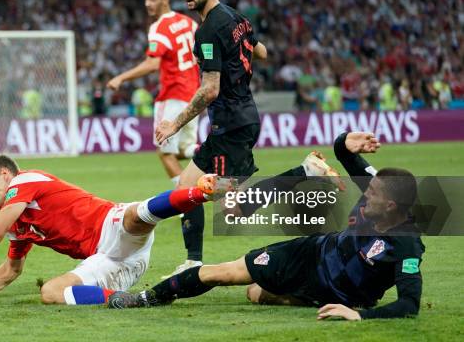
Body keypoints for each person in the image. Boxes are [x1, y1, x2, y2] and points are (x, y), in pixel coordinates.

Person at [108, 132, 426, 321]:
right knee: (230, 275)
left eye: (372, 194)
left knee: (257, 293)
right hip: (311, 253)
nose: (365, 193)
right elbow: (343, 152)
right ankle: (146, 298)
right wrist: (345, 140)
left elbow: (409, 304)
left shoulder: (406, 245)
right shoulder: (382, 187)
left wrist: (360, 315)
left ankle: (302, 298)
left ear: (392, 206)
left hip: (337, 293)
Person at [0, 155, 223, 305]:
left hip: (111, 225)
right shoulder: (17, 224)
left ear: (5, 174)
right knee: (50, 293)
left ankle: (203, 192)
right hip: (109, 262)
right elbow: (11, 270)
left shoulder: (25, 181)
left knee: (135, 215)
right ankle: (132, 299)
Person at [155, 0, 268, 276]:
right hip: (243, 118)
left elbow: (209, 90)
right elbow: (262, 52)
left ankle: (303, 172)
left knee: (225, 203)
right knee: (187, 190)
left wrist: (173, 124)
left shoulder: (207, 31)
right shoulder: (237, 18)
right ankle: (192, 262)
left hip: (231, 123)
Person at [107, 0, 201, 188]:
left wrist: (121, 77)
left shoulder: (159, 28)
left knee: (165, 152)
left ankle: (185, 203)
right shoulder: (189, 23)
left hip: (172, 96)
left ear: (165, 0)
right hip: (194, 96)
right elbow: (202, 53)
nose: (148, 4)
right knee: (184, 149)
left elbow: (152, 63)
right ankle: (209, 157)